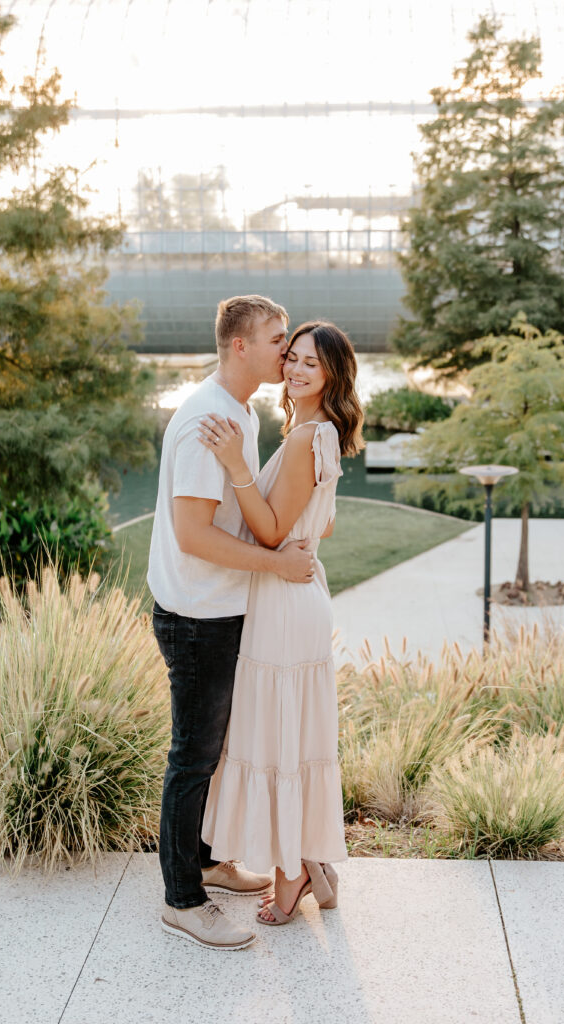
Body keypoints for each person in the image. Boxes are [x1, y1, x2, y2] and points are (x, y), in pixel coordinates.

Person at [148, 295, 317, 952]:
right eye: (278, 339)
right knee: (193, 756)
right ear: (241, 346)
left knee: (215, 751)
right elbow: (193, 535)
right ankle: (181, 899)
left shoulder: (238, 412)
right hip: (197, 616)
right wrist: (274, 564)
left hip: (220, 609)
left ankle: (209, 862)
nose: (287, 348)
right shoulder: (205, 423)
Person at [198, 320, 364, 926]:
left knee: (278, 739)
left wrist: (237, 465)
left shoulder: (303, 439)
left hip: (285, 601)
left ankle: (291, 875)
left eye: (309, 365)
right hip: (297, 590)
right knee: (290, 736)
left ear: (331, 375)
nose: (293, 371)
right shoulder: (320, 433)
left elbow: (270, 531)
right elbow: (323, 526)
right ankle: (310, 864)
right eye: (290, 358)